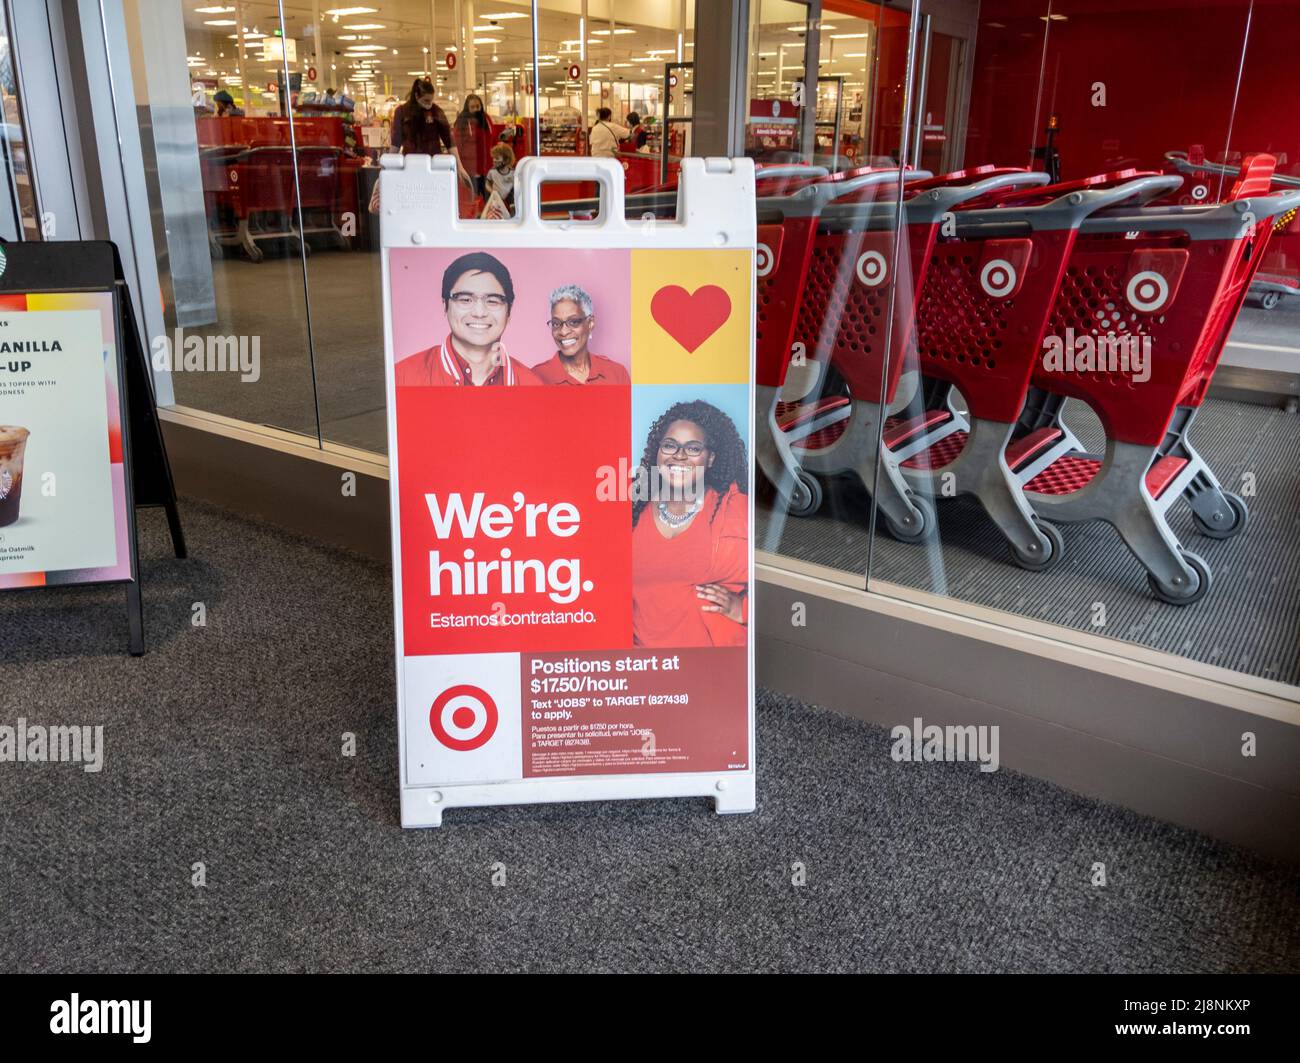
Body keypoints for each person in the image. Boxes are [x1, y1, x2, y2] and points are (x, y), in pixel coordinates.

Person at [631, 401, 749, 647]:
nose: (679, 454)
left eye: (693, 448)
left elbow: (771, 580)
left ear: (711, 459)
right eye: (670, 445)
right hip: (640, 662)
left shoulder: (736, 508)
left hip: (712, 666)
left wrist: (744, 609)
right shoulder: (632, 505)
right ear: (658, 452)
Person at [394, 252, 541, 387]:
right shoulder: (402, 377)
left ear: (509, 311)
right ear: (445, 305)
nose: (479, 312)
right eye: (465, 299)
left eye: (492, 301)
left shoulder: (532, 385)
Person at [533, 285, 630, 386]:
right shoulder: (537, 377)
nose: (564, 331)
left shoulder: (617, 374)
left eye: (574, 322)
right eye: (556, 323)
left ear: (590, 323)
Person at [391, 78, 473, 192]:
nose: (429, 104)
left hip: (433, 165)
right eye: (426, 100)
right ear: (416, 96)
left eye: (431, 100)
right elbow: (396, 141)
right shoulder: (401, 112)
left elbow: (449, 140)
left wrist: (460, 166)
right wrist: (388, 166)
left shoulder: (436, 112)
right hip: (410, 166)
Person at [454, 93, 494, 199]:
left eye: (478, 106)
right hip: (470, 169)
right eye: (472, 107)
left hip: (486, 168)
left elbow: (492, 139)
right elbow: (457, 145)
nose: (476, 109)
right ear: (467, 108)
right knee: (472, 199)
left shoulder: (486, 119)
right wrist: (459, 168)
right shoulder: (461, 122)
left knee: (488, 199)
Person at [485, 142, 516, 212]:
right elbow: (487, 184)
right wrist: (492, 191)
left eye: (497, 158)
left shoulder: (513, 173)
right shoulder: (492, 172)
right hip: (496, 199)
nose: (494, 160)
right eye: (493, 158)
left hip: (510, 201)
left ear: (506, 160)